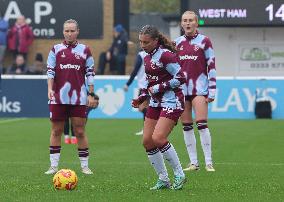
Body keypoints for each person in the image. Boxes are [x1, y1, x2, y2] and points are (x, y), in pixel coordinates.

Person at [132, 25, 186, 190]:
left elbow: (181, 77)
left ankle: (180, 174)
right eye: (140, 42)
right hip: (155, 103)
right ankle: (163, 179)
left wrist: (159, 88)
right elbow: (150, 83)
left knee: (159, 138)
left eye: (146, 42)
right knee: (147, 141)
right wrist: (142, 97)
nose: (142, 45)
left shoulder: (166, 56)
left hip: (172, 101)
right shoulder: (147, 57)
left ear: (155, 41)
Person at [45, 19, 97, 175]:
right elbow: (50, 71)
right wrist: (49, 89)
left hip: (78, 97)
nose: (69, 33)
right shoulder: (55, 49)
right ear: (63, 32)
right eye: (67, 30)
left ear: (77, 31)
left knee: (80, 131)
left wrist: (91, 93)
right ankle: (53, 166)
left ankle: (85, 166)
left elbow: (90, 73)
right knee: (56, 131)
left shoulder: (85, 50)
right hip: (58, 97)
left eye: (72, 30)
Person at [175, 11, 216, 172]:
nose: (188, 23)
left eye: (191, 20)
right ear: (181, 23)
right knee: (186, 126)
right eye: (185, 20)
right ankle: (194, 162)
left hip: (199, 89)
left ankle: (208, 161)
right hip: (182, 91)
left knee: (201, 124)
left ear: (196, 23)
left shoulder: (205, 41)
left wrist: (212, 90)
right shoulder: (176, 43)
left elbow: (211, 66)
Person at [123, 50, 148, 135]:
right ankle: (148, 128)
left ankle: (147, 128)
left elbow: (135, 71)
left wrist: (127, 84)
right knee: (145, 108)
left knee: (141, 108)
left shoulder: (141, 55)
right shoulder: (153, 54)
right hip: (150, 86)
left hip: (144, 86)